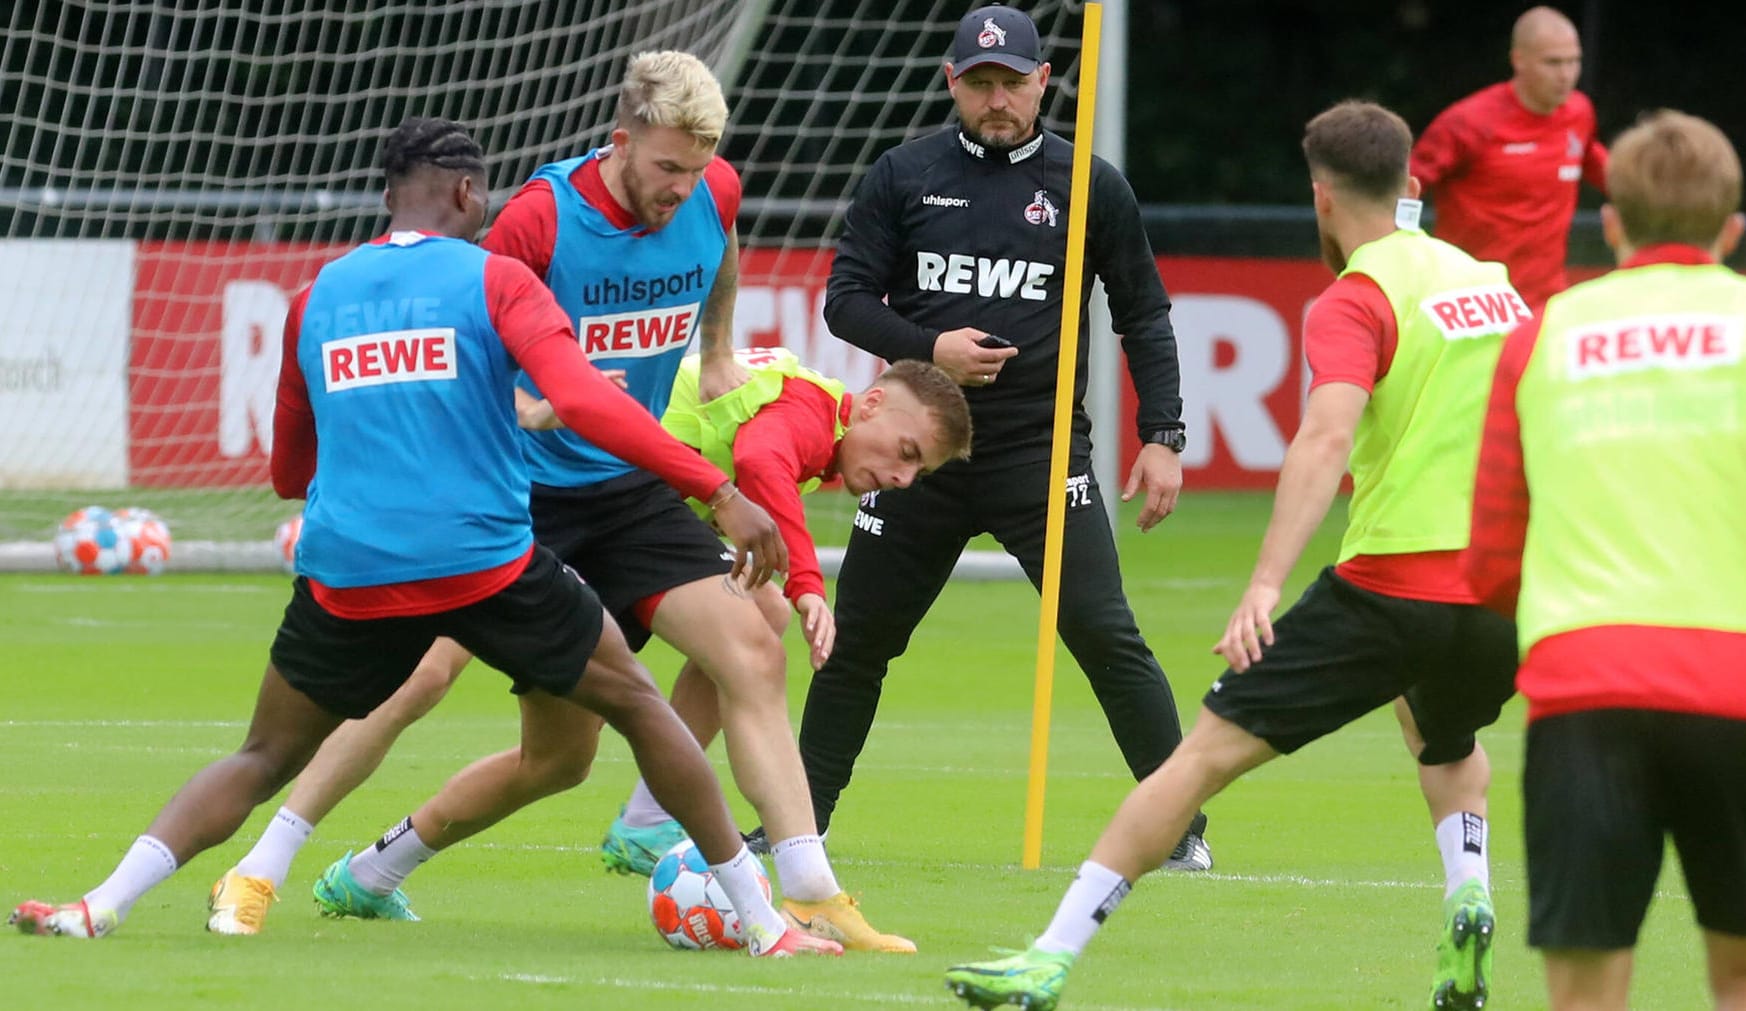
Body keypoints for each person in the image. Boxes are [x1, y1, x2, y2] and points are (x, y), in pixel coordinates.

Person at [8, 116, 838, 957]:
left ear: (386, 197)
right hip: (484, 564)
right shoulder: (496, 281)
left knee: (261, 755)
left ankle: (99, 903)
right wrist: (718, 489)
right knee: (637, 704)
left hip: (346, 573)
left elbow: (289, 474)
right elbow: (585, 402)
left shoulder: (313, 297)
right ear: (470, 194)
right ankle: (769, 925)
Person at [200, 52, 913, 953]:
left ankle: (808, 888)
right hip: (516, 490)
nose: (681, 189)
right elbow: (447, 318)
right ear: (619, 142)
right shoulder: (540, 217)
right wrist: (521, 401)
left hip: (625, 491)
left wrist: (722, 343)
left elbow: (720, 239)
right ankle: (261, 863)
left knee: (743, 646)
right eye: (664, 169)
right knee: (445, 691)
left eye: (696, 170)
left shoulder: (711, 191)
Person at [944, 99, 1528, 1010]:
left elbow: (1324, 439)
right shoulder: (1491, 283)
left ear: (1320, 195)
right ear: (1412, 184)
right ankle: (1469, 895)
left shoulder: (1357, 297)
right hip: (1497, 595)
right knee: (1442, 731)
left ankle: (1048, 957)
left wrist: (1263, 584)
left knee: (1195, 762)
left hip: (1390, 583)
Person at [764, 1, 1212, 873]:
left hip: (1038, 461)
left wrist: (1162, 433)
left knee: (1104, 633)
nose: (996, 99)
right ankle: (798, 830)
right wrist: (926, 347)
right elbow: (845, 299)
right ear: (952, 83)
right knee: (854, 646)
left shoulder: (1089, 184)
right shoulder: (904, 173)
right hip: (913, 464)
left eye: (1012, 83)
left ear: (1043, 82)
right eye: (979, 84)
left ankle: (1177, 830)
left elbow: (1143, 314)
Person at [1466, 110, 1746, 1011]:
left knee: (1584, 994)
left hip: (1585, 692)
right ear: (1732, 231)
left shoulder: (1540, 337)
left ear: (1609, 223)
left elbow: (1491, 556)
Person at [517, 345, 974, 673]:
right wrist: (807, 583)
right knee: (455, 652)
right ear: (872, 404)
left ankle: (654, 805)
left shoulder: (821, 431)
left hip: (609, 501)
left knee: (565, 749)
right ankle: (655, 805)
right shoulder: (811, 413)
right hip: (562, 481)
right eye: (908, 452)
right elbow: (759, 460)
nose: (904, 479)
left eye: (921, 472)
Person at [1411, 5, 1608, 311]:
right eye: (1553, 63)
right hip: (1470, 306)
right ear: (1519, 60)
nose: (1566, 75)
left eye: (1574, 61)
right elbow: (1399, 190)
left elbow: (1609, 174)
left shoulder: (1579, 113)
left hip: (1546, 303)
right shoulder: (1467, 123)